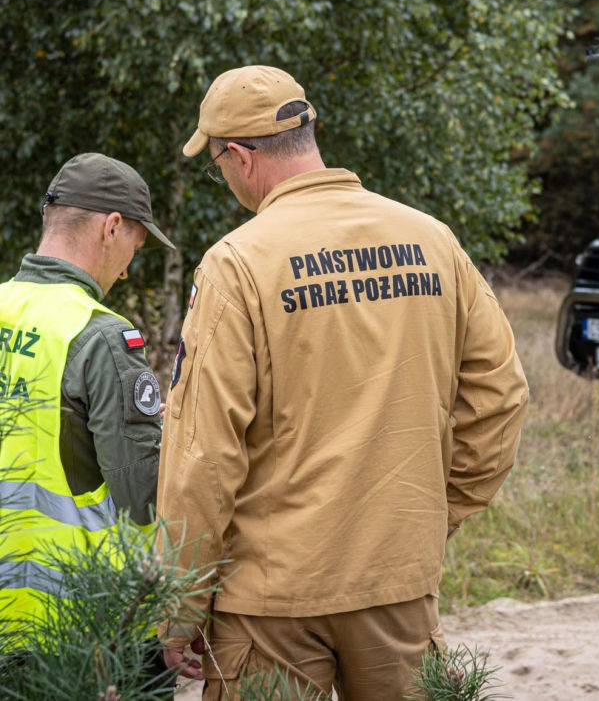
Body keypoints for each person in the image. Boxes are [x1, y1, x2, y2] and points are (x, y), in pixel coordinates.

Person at [157, 65, 529, 699]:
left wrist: (180, 607)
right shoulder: (431, 239)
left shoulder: (238, 263)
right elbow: (501, 397)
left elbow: (203, 452)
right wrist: (435, 516)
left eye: (217, 162)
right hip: (397, 587)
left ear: (241, 158)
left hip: (270, 600)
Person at [0, 153, 173, 635]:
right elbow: (143, 497)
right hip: (82, 627)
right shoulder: (101, 337)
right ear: (112, 227)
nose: (124, 272)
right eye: (134, 248)